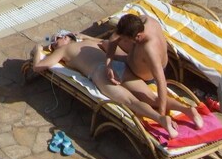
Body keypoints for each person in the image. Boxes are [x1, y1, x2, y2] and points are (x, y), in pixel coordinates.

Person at [32, 29, 202, 139]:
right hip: (118, 66)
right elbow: (108, 43)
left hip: (100, 72)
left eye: (54, 42)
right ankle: (188, 110)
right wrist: (87, 37)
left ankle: (160, 119)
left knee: (131, 102)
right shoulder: (90, 42)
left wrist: (37, 51)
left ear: (64, 38)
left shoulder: (63, 50)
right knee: (152, 97)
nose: (53, 46)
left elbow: (38, 67)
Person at [104, 13, 203, 131]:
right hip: (141, 62)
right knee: (106, 44)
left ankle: (186, 110)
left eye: (127, 39)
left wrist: (162, 115)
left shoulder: (149, 49)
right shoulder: (145, 20)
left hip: (145, 75)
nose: (124, 40)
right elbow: (115, 37)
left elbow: (161, 82)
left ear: (138, 36)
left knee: (151, 100)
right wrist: (108, 64)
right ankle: (187, 110)